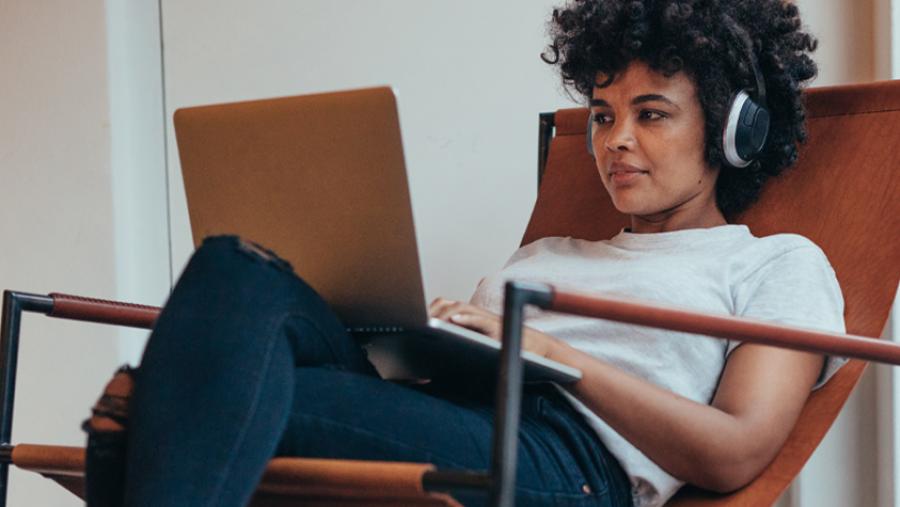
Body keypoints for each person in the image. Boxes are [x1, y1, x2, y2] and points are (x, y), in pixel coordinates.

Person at [82, 1, 846, 506]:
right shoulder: (547, 252)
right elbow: (420, 387)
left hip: (565, 461)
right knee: (233, 267)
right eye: (605, 114)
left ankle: (150, 413)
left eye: (651, 115)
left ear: (730, 131)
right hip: (455, 410)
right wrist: (416, 330)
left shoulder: (777, 264)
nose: (615, 140)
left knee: (197, 397)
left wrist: (545, 349)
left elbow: (736, 450)